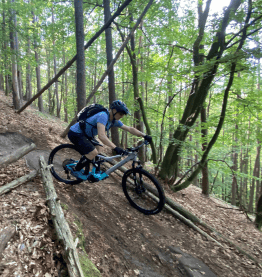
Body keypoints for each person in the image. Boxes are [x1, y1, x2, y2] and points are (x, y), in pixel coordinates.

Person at [67, 100, 152, 176]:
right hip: (76, 133)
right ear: (114, 110)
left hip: (86, 135)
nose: (122, 116)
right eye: (121, 113)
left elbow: (129, 129)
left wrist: (144, 135)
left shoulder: (113, 121)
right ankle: (75, 170)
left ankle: (93, 168)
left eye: (123, 114)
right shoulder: (103, 116)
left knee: (99, 147)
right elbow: (101, 136)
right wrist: (115, 148)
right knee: (93, 152)